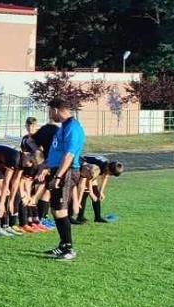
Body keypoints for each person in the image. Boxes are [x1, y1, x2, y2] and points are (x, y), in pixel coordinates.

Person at [44, 101, 85, 260]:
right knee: (56, 209)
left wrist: (58, 176)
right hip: (58, 170)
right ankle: (63, 245)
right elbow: (58, 151)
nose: (50, 114)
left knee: (60, 210)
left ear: (55, 110)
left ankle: (68, 248)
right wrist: (45, 165)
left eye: (50, 111)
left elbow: (69, 154)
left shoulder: (72, 127)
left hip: (66, 172)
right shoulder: (64, 126)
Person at [75, 155, 123, 223]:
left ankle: (98, 217)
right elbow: (89, 180)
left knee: (97, 194)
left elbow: (106, 177)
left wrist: (101, 192)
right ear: (108, 168)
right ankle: (80, 217)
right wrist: (91, 194)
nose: (110, 175)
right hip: (82, 168)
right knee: (85, 193)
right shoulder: (98, 167)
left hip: (90, 173)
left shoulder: (109, 166)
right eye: (111, 174)